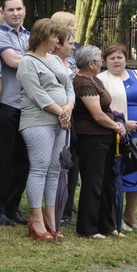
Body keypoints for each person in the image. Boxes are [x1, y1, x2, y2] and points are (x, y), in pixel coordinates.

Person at [16, 19, 75, 242]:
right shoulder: (27, 62)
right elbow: (36, 93)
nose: (57, 42)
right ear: (43, 37)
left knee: (54, 169)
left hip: (61, 120)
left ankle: (52, 218)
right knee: (39, 168)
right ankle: (36, 219)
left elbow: (68, 86)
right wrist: (61, 111)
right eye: (54, 37)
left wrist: (68, 107)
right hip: (38, 120)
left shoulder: (55, 60)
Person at [97, 43, 137, 232]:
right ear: (106, 61)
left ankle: (130, 214)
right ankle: (115, 215)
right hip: (118, 134)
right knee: (119, 173)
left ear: (126, 58)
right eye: (112, 58)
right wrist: (123, 123)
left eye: (119, 57)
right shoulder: (101, 79)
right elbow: (103, 108)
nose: (116, 61)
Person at [72, 46, 126, 239]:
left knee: (107, 183)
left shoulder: (94, 79)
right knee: (93, 182)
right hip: (91, 138)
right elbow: (97, 115)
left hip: (104, 138)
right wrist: (116, 126)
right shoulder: (82, 83)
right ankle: (88, 227)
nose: (101, 62)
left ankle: (105, 223)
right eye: (99, 60)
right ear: (90, 64)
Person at [0, 0, 30, 226]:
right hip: (8, 104)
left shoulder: (30, 36)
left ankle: (13, 206)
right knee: (5, 158)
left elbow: (22, 59)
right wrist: (36, 59)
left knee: (24, 160)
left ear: (24, 10)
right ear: (2, 13)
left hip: (29, 107)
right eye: (10, 10)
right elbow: (12, 62)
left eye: (19, 9)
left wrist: (28, 57)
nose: (15, 13)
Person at [53, 27, 79, 228]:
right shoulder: (51, 63)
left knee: (71, 163)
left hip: (72, 114)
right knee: (57, 163)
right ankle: (55, 210)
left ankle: (67, 209)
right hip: (56, 116)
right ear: (58, 44)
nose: (73, 47)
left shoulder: (71, 63)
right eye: (69, 43)